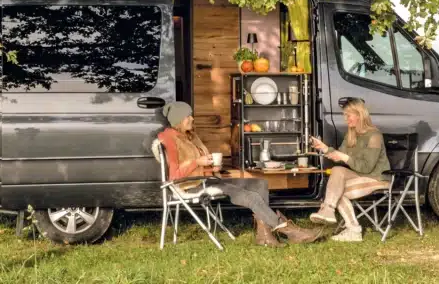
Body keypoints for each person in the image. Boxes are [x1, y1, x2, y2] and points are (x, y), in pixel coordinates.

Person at [157, 101, 323, 247]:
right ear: (178, 120)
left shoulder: (191, 136)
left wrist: (213, 167)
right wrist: (197, 162)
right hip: (191, 185)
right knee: (251, 197)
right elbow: (175, 176)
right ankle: (290, 231)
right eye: (188, 116)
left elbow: (202, 165)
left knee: (259, 184)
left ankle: (265, 236)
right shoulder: (170, 139)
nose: (192, 119)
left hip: (208, 179)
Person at [308, 98, 390, 242]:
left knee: (337, 192)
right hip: (360, 176)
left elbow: (367, 167)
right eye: (344, 115)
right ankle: (330, 211)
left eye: (348, 115)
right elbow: (339, 155)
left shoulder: (374, 136)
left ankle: (353, 229)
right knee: (337, 170)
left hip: (378, 178)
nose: (346, 119)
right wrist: (324, 148)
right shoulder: (351, 135)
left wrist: (345, 157)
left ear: (359, 114)